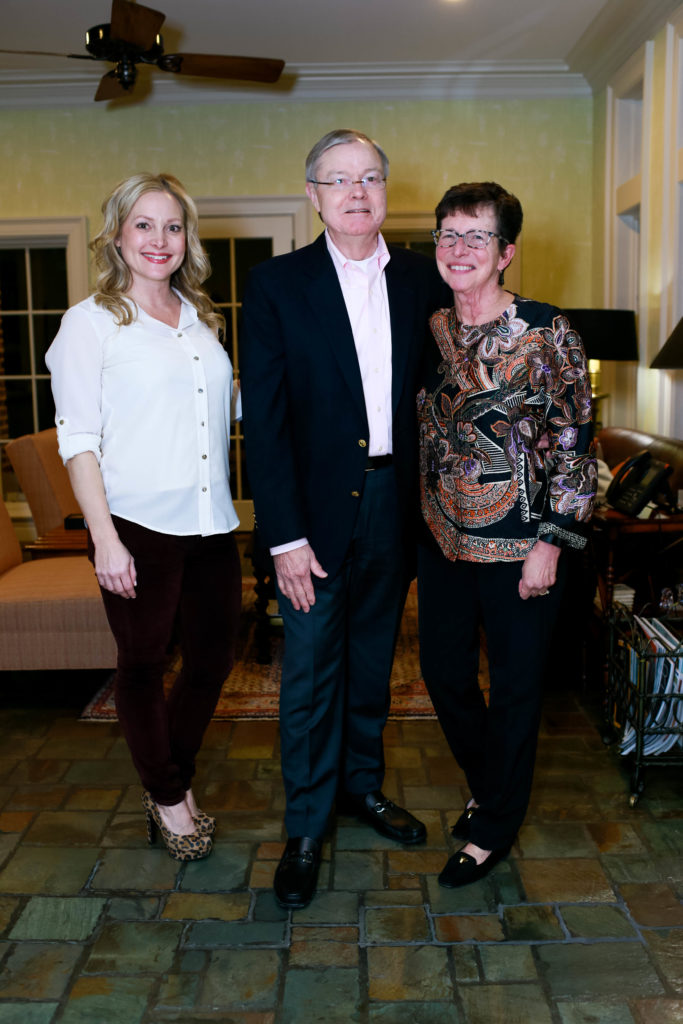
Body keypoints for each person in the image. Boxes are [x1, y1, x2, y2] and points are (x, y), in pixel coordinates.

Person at [240, 129, 449, 909]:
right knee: (309, 674)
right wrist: (283, 537)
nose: (356, 192)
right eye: (338, 180)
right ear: (313, 195)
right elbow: (264, 424)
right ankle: (305, 826)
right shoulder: (275, 285)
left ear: (385, 191)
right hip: (312, 516)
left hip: (396, 503)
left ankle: (360, 787)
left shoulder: (423, 279)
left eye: (368, 178)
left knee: (371, 660)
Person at [46, 172, 242, 862]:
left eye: (173, 226)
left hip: (212, 522)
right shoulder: (89, 323)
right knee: (141, 665)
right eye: (144, 224)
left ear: (187, 239)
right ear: (118, 235)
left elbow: (222, 408)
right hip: (135, 526)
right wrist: (104, 540)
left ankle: (168, 778)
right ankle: (169, 797)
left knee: (213, 660)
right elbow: (79, 440)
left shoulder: (200, 319)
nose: (160, 240)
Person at [417, 181, 597, 888]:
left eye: (477, 236)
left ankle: (492, 827)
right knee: (443, 674)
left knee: (516, 688)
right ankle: (492, 787)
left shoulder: (548, 332)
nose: (459, 248)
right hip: (442, 540)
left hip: (524, 546)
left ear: (505, 253)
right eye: (448, 234)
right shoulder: (430, 328)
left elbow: (575, 445)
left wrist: (551, 542)